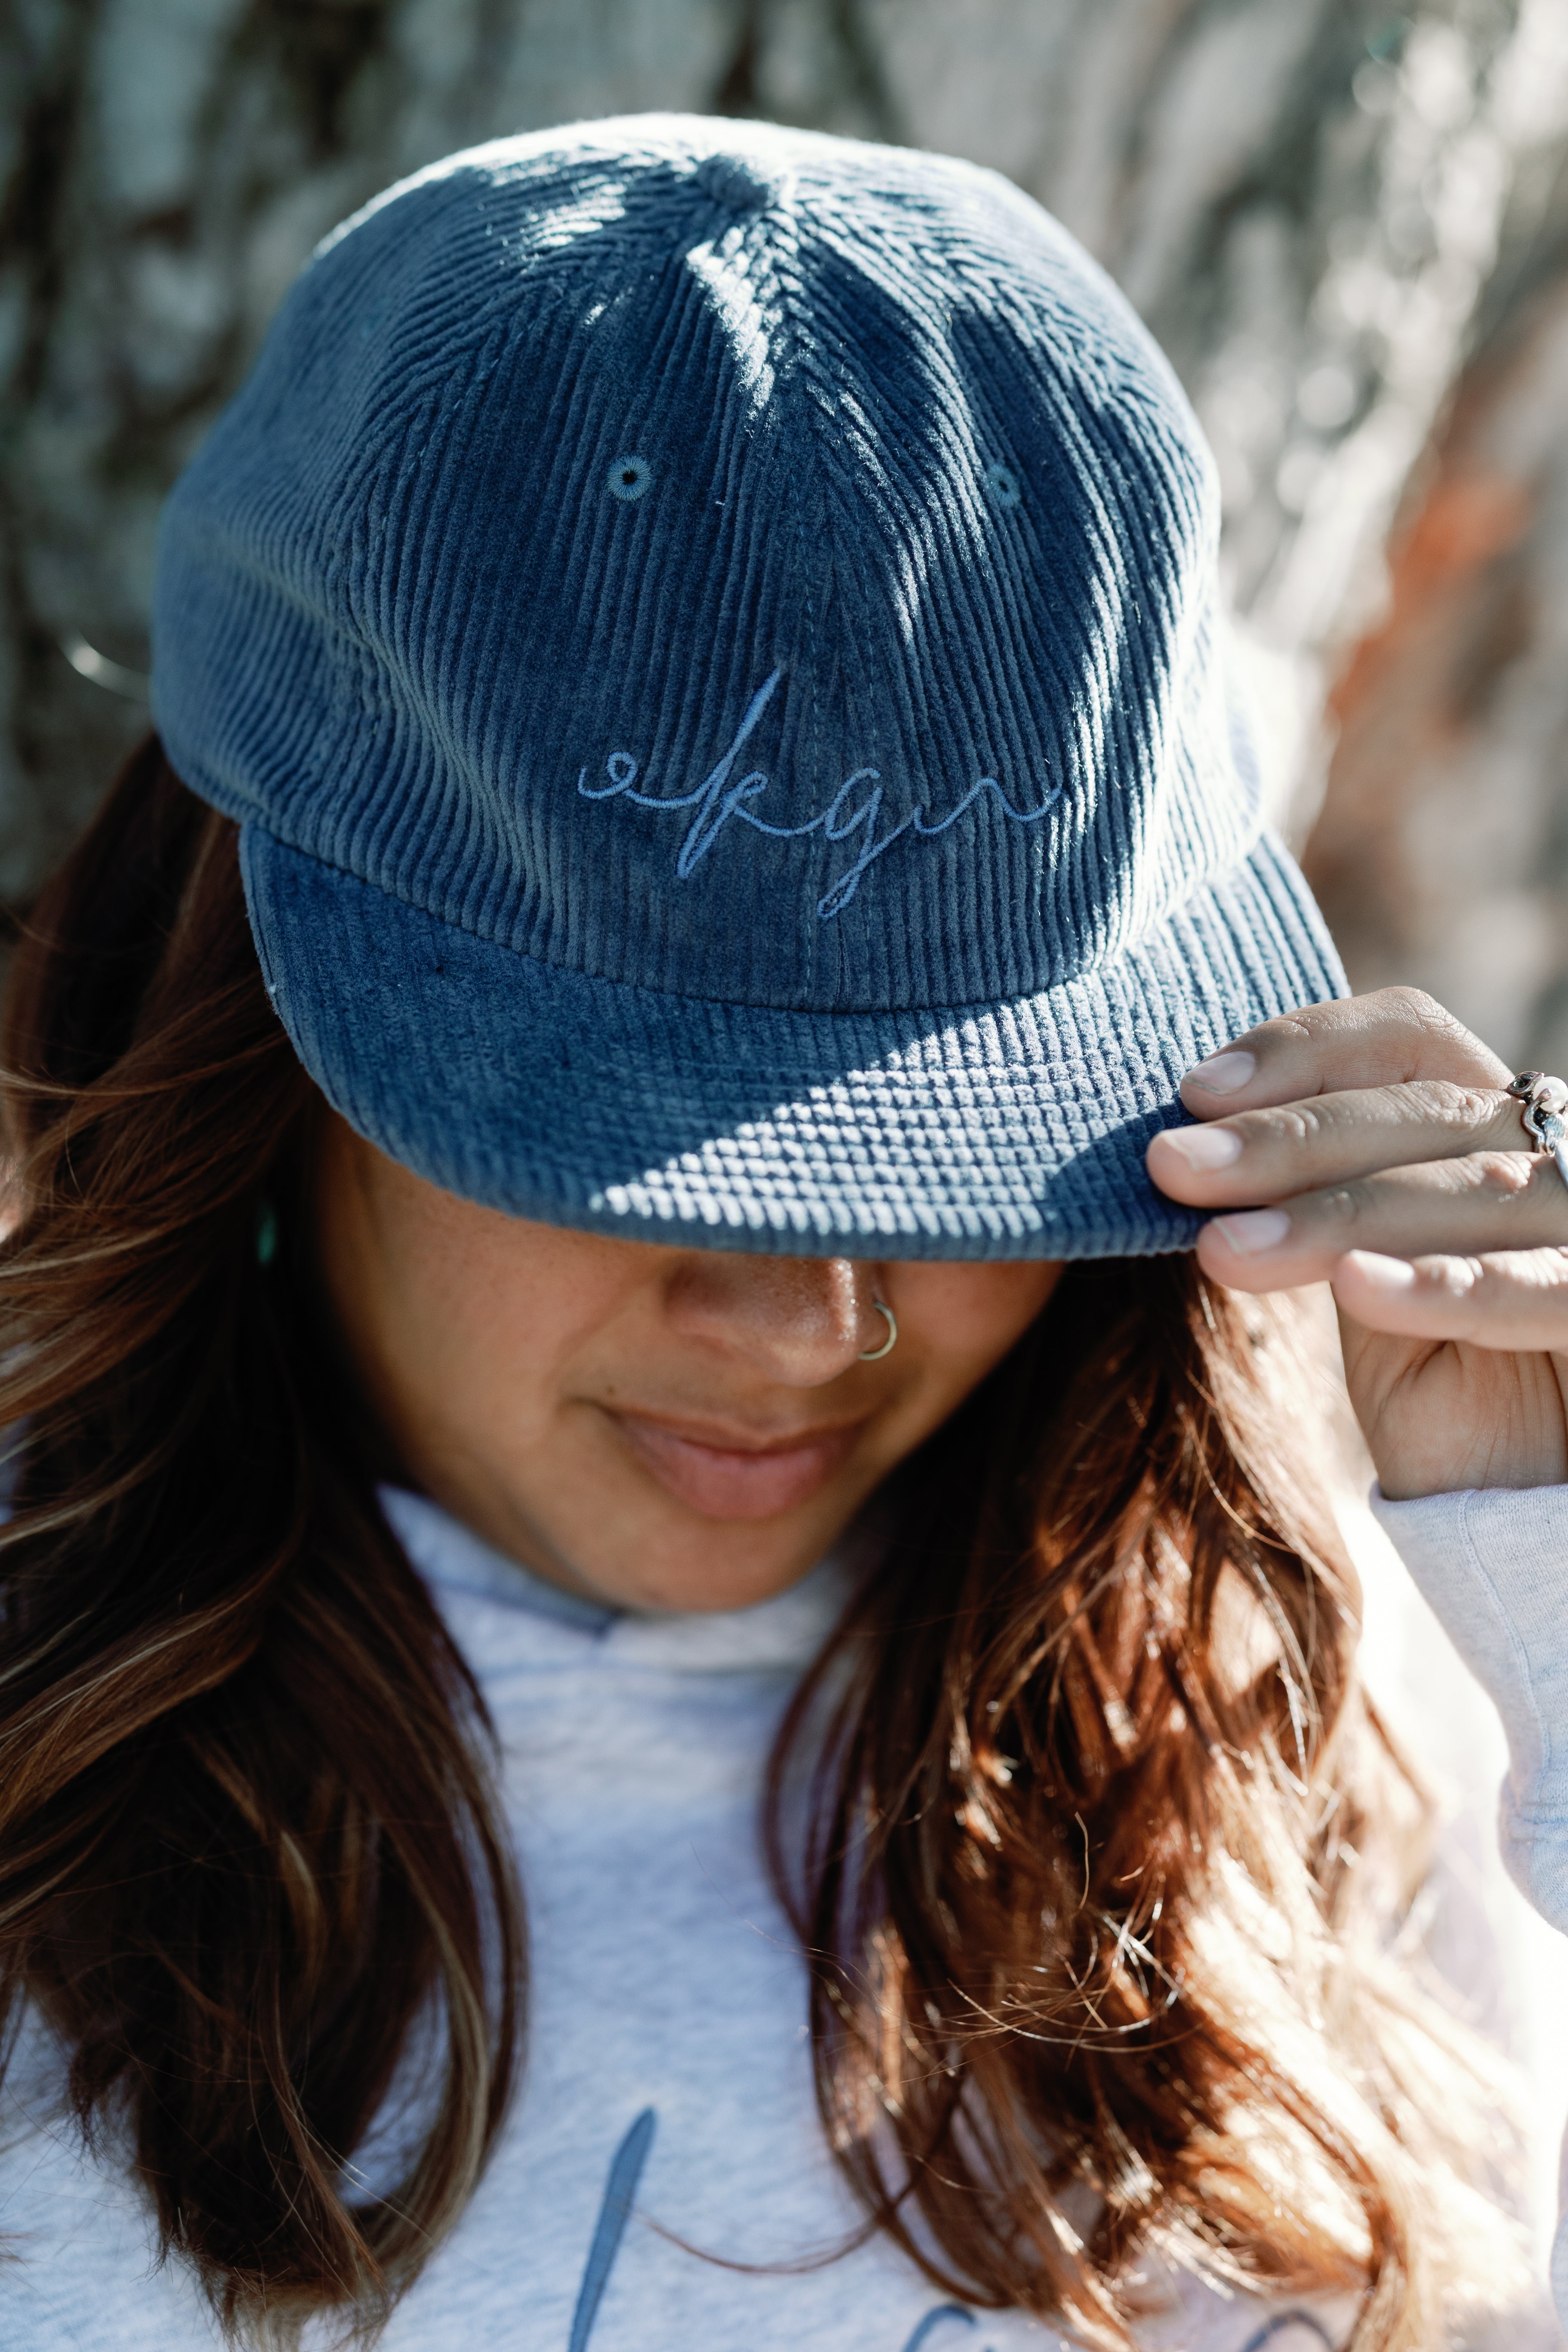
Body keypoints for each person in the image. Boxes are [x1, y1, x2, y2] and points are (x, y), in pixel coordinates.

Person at [0, 113, 1552, 2352]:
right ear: (254, 1017)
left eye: (956, 1166)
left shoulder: (1333, 1739)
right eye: (634, 1146)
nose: (818, 1324)